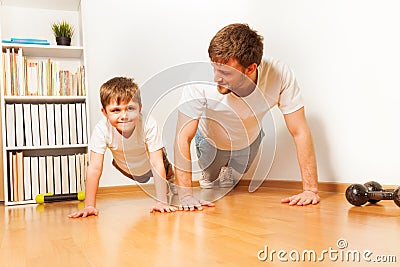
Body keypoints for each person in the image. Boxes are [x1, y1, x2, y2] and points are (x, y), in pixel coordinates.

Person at [174, 23, 320, 211]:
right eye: (214, 68)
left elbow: (299, 131)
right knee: (211, 181)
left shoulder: (279, 74)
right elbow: (182, 136)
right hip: (210, 141)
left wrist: (311, 189)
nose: (216, 78)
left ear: (250, 69)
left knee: (231, 184)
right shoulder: (198, 81)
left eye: (225, 72)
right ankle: (209, 174)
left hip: (248, 141)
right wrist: (186, 196)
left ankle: (228, 172)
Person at [69, 77, 177, 218]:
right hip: (127, 167)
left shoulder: (148, 123)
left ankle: (172, 181)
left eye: (130, 108)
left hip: (151, 161)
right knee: (141, 178)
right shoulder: (102, 129)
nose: (124, 116)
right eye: (115, 110)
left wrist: (162, 201)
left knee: (163, 165)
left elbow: (156, 163)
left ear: (140, 108)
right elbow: (94, 167)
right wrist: (89, 205)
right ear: (104, 113)